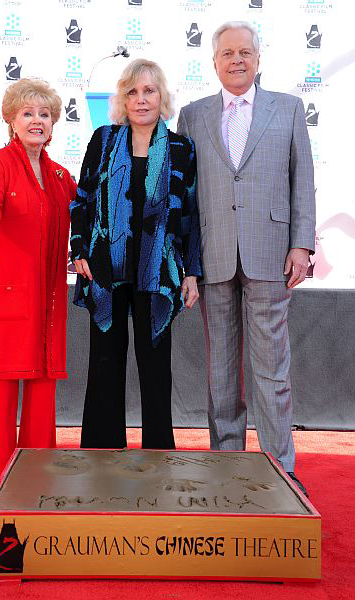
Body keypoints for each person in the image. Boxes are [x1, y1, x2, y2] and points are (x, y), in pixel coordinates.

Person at [177, 21, 315, 496]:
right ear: (213, 62)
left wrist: (302, 244)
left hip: (271, 255)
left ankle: (281, 470)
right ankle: (227, 467)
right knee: (220, 372)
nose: (236, 60)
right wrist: (188, 264)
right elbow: (185, 195)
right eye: (227, 53)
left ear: (259, 58)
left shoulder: (289, 108)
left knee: (272, 369)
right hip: (213, 256)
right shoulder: (193, 116)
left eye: (245, 52)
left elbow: (303, 182)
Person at [70, 58, 202, 450]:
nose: (141, 99)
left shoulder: (181, 148)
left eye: (149, 91)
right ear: (122, 100)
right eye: (132, 92)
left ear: (162, 97)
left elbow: (191, 216)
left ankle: (159, 453)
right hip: (105, 267)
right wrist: (79, 250)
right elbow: (82, 199)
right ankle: (100, 450)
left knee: (156, 364)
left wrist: (192, 272)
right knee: (106, 362)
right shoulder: (104, 139)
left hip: (160, 270)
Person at [0, 78, 77, 478]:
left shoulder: (62, 176)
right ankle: (3, 465)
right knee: (1, 379)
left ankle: (36, 461)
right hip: (8, 287)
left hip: (46, 294)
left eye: (44, 114)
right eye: (28, 113)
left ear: (53, 124)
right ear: (11, 120)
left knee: (43, 376)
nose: (37, 121)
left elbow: (82, 219)